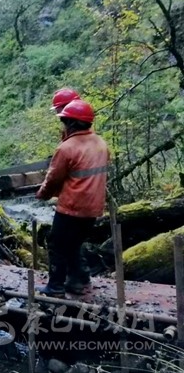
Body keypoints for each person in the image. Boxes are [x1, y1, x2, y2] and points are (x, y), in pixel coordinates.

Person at [35, 100, 109, 297]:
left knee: (56, 244)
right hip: (94, 206)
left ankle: (55, 286)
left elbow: (53, 177)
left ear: (71, 123)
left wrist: (43, 194)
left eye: (65, 121)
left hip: (72, 205)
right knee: (74, 244)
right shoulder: (101, 144)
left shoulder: (67, 148)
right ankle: (78, 281)